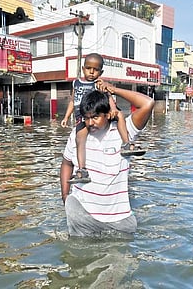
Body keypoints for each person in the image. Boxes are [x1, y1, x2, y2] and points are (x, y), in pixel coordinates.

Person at [60, 84, 155, 237]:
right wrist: (65, 197)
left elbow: (148, 103)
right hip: (83, 216)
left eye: (95, 117)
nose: (90, 123)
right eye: (87, 118)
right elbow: (66, 163)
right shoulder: (78, 134)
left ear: (107, 114)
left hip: (119, 220)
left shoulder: (124, 130)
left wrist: (114, 90)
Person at [60, 53, 143, 184]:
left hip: (100, 115)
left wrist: (114, 109)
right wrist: (66, 117)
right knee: (79, 140)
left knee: (120, 115)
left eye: (96, 69)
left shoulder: (99, 83)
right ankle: (82, 170)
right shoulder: (76, 83)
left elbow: (108, 96)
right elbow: (72, 101)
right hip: (82, 118)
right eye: (88, 68)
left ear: (101, 71)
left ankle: (127, 143)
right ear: (83, 68)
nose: (91, 72)